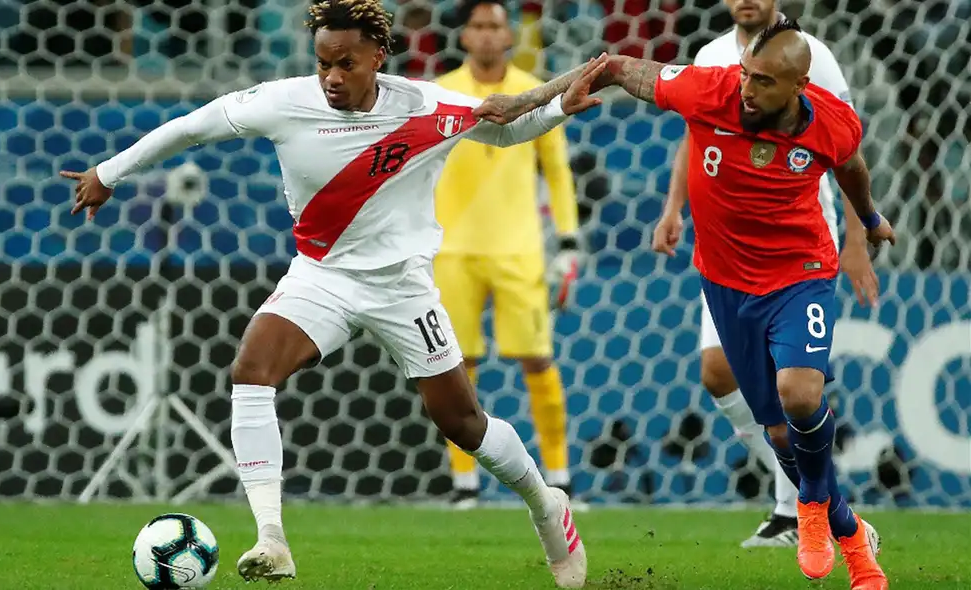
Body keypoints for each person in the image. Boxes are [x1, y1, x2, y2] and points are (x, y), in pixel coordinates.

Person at [60, 1, 609, 586]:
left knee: (463, 423)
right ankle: (271, 539)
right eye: (323, 64)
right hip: (322, 276)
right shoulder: (282, 101)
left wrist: (556, 110)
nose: (332, 78)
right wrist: (108, 173)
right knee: (251, 370)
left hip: (402, 287)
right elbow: (192, 126)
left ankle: (547, 505)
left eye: (346, 64)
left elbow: (504, 130)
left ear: (378, 56)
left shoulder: (425, 106)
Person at [477, 19, 891, 589]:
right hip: (726, 284)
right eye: (746, 74)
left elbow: (852, 166)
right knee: (775, 434)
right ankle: (851, 535)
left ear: (799, 85)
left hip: (801, 275)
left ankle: (813, 510)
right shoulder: (710, 89)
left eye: (764, 82)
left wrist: (868, 220)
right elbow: (617, 66)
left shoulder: (832, 121)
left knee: (801, 393)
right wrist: (529, 99)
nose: (747, 89)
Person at [650, 0, 878, 549]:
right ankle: (805, 494)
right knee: (718, 375)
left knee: (795, 389)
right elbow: (695, 132)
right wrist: (673, 207)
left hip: (796, 248)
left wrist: (857, 237)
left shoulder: (812, 57)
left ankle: (794, 508)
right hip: (727, 251)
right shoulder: (711, 56)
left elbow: (846, 150)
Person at [433, 0, 581, 509]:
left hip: (519, 250)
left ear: (509, 35)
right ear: (465, 36)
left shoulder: (533, 91)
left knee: (538, 359)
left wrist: (568, 242)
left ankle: (560, 479)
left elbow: (558, 173)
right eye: (478, 25)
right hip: (451, 249)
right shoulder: (442, 92)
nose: (488, 34)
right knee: (455, 365)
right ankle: (464, 485)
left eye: (496, 24)